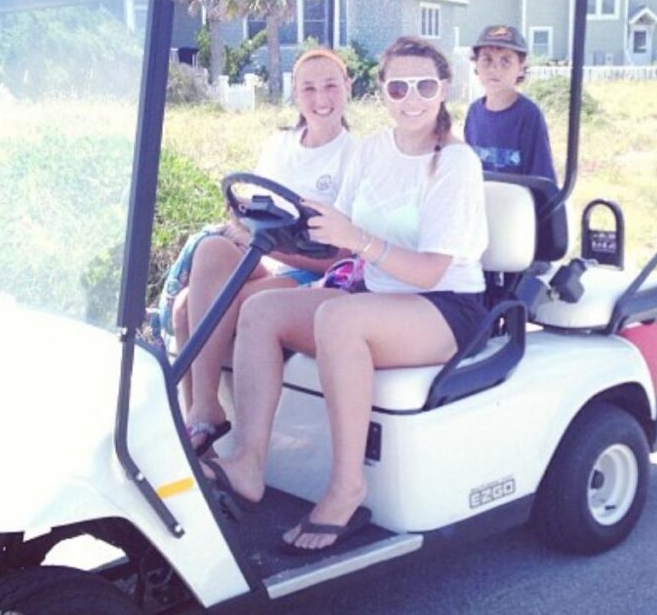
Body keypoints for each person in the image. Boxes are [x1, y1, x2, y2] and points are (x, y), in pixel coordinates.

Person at [201, 36, 488, 554]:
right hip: (376, 293)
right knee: (262, 309)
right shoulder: (375, 149)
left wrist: (358, 241)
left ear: (444, 89)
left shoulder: (455, 163)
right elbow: (339, 225)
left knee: (340, 319)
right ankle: (247, 462)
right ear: (382, 91)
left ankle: (346, 487)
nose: (412, 97)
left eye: (425, 85)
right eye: (398, 86)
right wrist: (272, 226)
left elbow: (426, 271)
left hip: (444, 306)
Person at [161, 47, 355, 455]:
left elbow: (341, 254)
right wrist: (240, 226)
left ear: (347, 88)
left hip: (314, 272)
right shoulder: (279, 145)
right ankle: (202, 414)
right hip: (265, 259)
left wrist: (266, 246)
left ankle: (201, 423)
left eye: (330, 86)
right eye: (309, 88)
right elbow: (252, 214)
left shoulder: (356, 156)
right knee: (211, 252)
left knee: (186, 310)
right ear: (296, 95)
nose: (321, 98)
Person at [464, 25, 557, 183]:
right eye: (487, 59)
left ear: (521, 68)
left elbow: (541, 178)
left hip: (517, 202)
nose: (495, 68)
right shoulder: (474, 113)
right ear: (476, 65)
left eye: (505, 61)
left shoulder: (528, 115)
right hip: (481, 201)